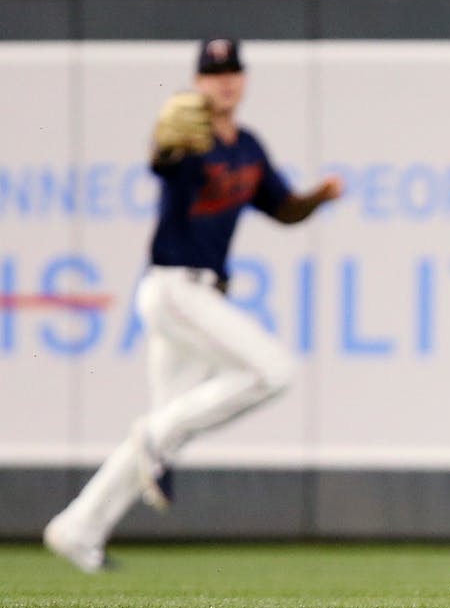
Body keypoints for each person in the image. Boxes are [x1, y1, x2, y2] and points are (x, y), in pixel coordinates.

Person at [44, 38, 344, 573]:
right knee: (272, 372)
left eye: (232, 71)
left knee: (163, 434)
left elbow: (282, 208)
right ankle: (152, 437)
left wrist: (317, 196)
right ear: (198, 81)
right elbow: (163, 161)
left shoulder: (247, 146)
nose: (224, 80)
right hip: (175, 288)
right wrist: (165, 142)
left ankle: (76, 528)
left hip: (201, 293)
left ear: (243, 78)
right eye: (213, 72)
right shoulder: (187, 136)